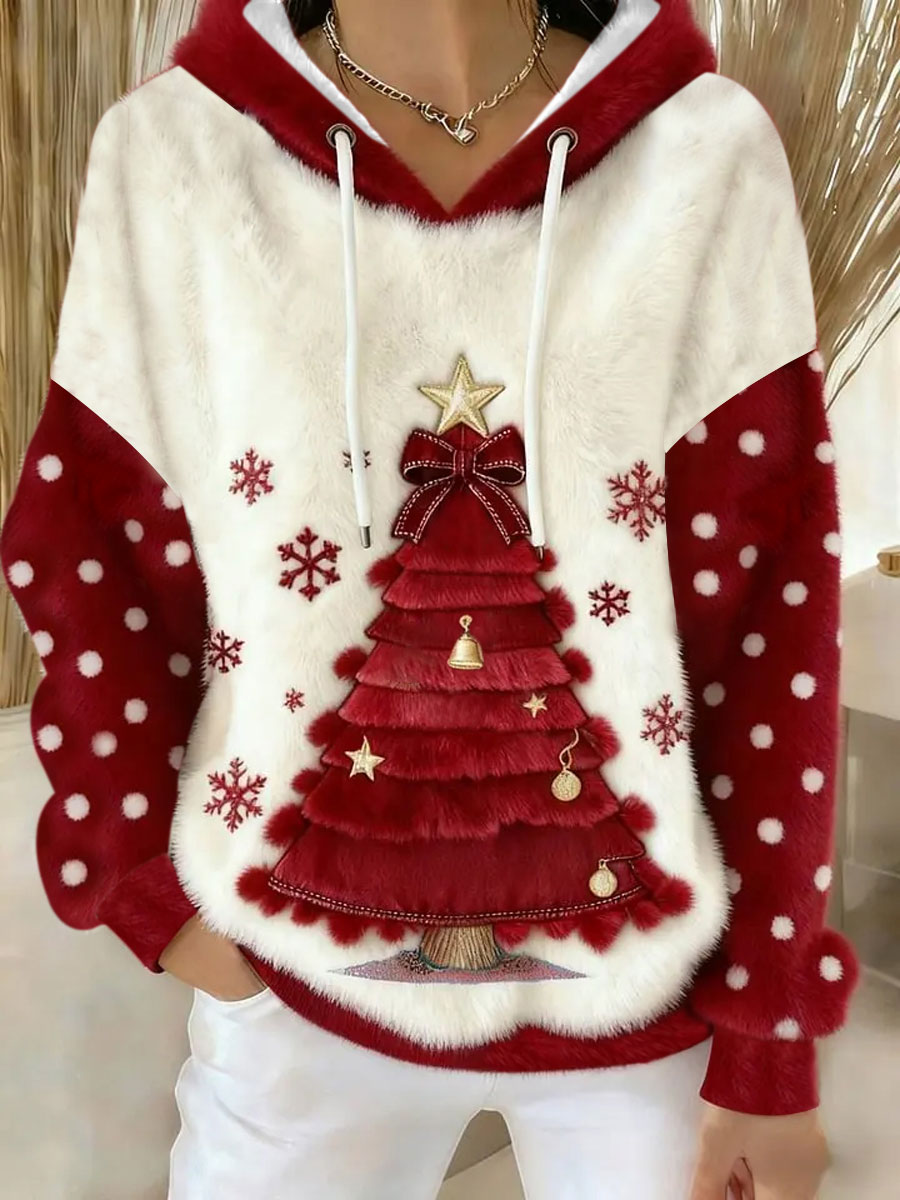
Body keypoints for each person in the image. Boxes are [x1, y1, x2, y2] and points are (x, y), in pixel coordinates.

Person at [0, 0, 860, 1196]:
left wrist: (768, 1041)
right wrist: (152, 898)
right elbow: (97, 546)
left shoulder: (703, 150)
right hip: (290, 988)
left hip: (648, 1003)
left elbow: (768, 615)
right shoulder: (175, 152)